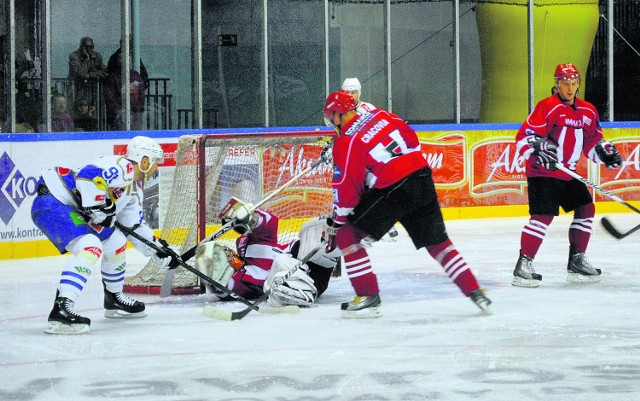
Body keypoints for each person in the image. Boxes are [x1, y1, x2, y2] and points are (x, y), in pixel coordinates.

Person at [322, 91, 492, 318]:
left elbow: (347, 187)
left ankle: (367, 296)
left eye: (331, 118)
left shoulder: (347, 141)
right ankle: (474, 290)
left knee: (347, 235)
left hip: (394, 187)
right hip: (421, 177)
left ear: (337, 115)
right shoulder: (382, 115)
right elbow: (411, 140)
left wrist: (338, 221)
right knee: (439, 244)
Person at [32, 136, 177, 334]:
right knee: (90, 245)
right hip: (54, 200)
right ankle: (61, 308)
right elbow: (88, 175)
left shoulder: (133, 189)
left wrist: (158, 250)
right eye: (155, 162)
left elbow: (133, 225)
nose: (156, 168)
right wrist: (101, 205)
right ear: (145, 160)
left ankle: (113, 297)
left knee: (115, 240)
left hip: (70, 207)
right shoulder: (122, 166)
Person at [512, 63, 623, 288]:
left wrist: (604, 154)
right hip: (543, 172)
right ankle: (524, 265)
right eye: (565, 83)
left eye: (573, 83)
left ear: (579, 83)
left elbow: (592, 142)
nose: (570, 88)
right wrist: (539, 147)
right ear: (557, 84)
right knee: (543, 216)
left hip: (568, 172)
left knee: (586, 208)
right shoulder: (548, 106)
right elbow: (524, 136)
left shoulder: (588, 111)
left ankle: (577, 260)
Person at [194, 198, 340, 307]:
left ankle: (353, 229)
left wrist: (250, 217)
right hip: (297, 279)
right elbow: (233, 290)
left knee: (312, 229)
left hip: (307, 257)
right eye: (226, 258)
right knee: (281, 270)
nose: (229, 255)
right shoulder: (244, 277)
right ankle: (299, 292)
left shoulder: (254, 244)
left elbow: (268, 224)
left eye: (227, 251)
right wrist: (214, 281)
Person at [104, 52, 146, 130]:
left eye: (128, 59)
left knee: (135, 134)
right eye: (121, 58)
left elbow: (141, 94)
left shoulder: (136, 75)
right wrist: (119, 112)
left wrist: (139, 109)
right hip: (118, 116)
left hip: (135, 113)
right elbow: (109, 97)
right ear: (117, 61)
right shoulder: (112, 77)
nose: (125, 61)